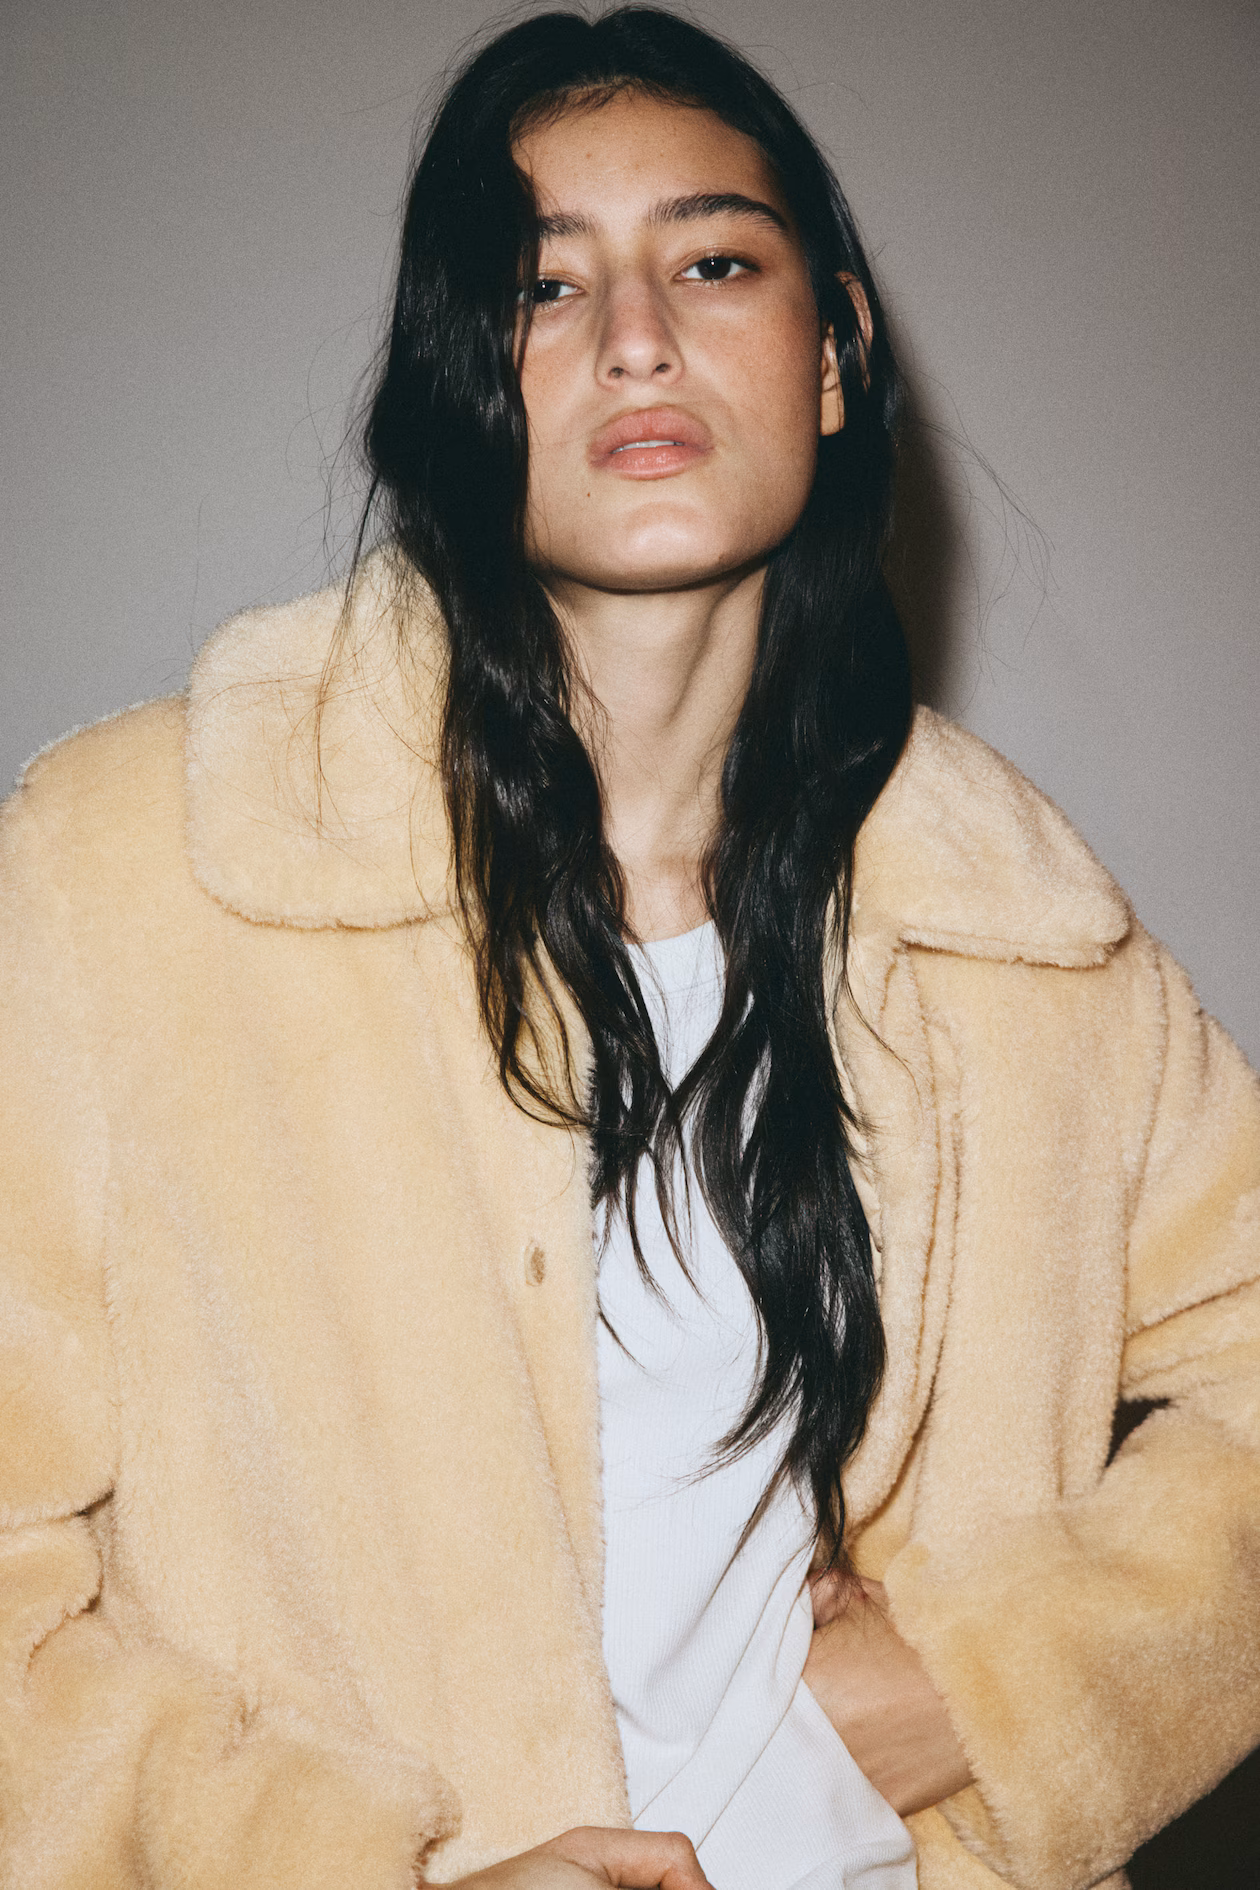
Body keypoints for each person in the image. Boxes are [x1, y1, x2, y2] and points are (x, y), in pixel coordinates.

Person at [0, 9, 1257, 1890]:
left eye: (716, 261)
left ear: (832, 355)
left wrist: (973, 1693)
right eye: (542, 284)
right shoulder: (132, 877)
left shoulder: (1016, 937)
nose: (638, 336)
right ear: (459, 379)